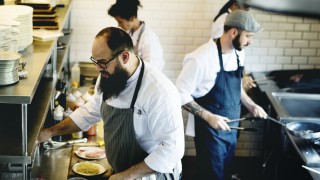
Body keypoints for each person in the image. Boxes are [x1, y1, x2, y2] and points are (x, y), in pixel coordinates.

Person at [38, 27, 184, 180]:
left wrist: (126, 176)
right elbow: (91, 111)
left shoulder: (159, 92)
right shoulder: (108, 77)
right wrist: (51, 132)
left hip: (151, 175)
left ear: (125, 57)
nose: (97, 69)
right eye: (95, 62)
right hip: (121, 172)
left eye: (102, 63)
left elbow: (171, 151)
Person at [176, 10, 268, 180]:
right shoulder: (200, 58)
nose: (251, 41)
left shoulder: (239, 53)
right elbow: (180, 94)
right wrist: (209, 117)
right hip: (210, 133)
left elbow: (236, 88)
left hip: (231, 131)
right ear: (234, 32)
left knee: (225, 174)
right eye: (248, 36)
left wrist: (251, 105)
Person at [108, 0, 165, 71]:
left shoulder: (148, 38)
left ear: (132, 18)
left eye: (120, 22)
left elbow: (152, 70)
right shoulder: (128, 32)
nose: (119, 25)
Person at [211, 0, 255, 90]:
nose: (245, 14)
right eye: (244, 10)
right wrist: (241, 77)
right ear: (235, 5)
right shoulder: (225, 20)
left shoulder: (228, 19)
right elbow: (224, 48)